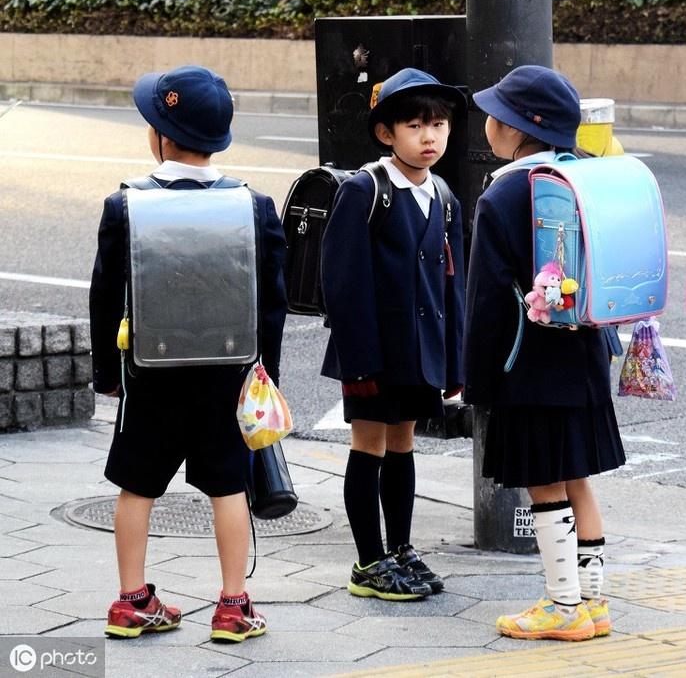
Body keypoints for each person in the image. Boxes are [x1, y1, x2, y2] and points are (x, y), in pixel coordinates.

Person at [91, 65, 287, 642]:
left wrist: (107, 371)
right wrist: (263, 374)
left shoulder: (125, 204)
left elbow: (105, 295)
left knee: (137, 485)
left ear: (161, 137)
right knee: (230, 485)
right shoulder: (255, 205)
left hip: (149, 371)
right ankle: (232, 605)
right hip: (229, 373)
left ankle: (131, 600)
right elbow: (270, 303)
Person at [464, 65, 625, 641]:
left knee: (544, 485)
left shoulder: (506, 190)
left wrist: (476, 380)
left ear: (514, 128)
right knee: (578, 478)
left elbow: (486, 300)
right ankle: (594, 603)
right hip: (585, 359)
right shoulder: (587, 176)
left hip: (525, 364)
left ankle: (562, 605)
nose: (488, 121)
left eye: (496, 113)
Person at [320, 68, 466, 601]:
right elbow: (342, 281)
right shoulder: (367, 190)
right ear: (386, 134)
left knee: (404, 445)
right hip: (372, 351)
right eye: (415, 126)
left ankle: (400, 548)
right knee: (369, 446)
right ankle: (367, 560)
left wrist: (455, 362)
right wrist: (359, 359)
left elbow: (455, 284)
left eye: (440, 125)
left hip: (420, 350)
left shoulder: (444, 195)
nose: (430, 138)